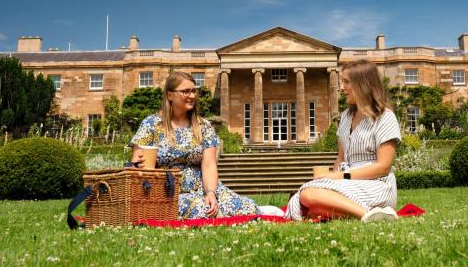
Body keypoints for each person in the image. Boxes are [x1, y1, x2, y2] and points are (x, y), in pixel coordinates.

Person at [129, 71, 260, 219]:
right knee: (200, 210)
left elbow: (209, 165)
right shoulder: (151, 124)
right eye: (185, 91)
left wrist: (210, 193)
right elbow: (135, 164)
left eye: (193, 91)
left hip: (203, 187)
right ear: (169, 95)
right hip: (168, 190)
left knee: (248, 209)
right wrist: (137, 165)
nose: (192, 96)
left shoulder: (203, 126)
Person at [285, 60, 401, 222]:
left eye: (346, 82)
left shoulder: (385, 117)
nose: (342, 88)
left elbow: (383, 167)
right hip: (349, 183)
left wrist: (340, 176)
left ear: (363, 84)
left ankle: (365, 214)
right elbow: (341, 158)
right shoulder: (346, 116)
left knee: (308, 194)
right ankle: (371, 213)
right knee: (309, 203)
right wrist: (330, 177)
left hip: (376, 184)